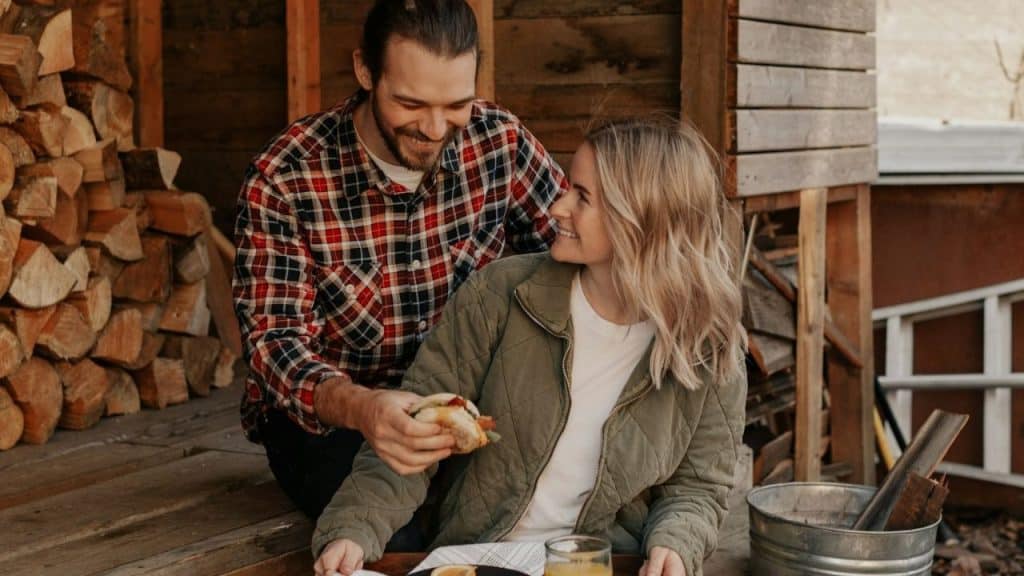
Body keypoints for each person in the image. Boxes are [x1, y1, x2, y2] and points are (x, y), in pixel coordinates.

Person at [311, 117, 748, 576]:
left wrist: (676, 545)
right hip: (474, 560)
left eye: (583, 197)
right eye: (566, 188)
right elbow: (412, 439)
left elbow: (698, 488)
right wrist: (353, 529)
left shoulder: (709, 349)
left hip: (600, 566)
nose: (557, 207)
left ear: (642, 221)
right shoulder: (498, 295)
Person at [232, 0, 567, 527]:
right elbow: (275, 347)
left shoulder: (500, 142)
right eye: (410, 103)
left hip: (474, 402)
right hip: (337, 420)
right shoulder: (286, 176)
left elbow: (573, 249)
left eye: (456, 104)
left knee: (536, 514)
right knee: (402, 532)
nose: (435, 129)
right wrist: (365, 409)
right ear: (365, 71)